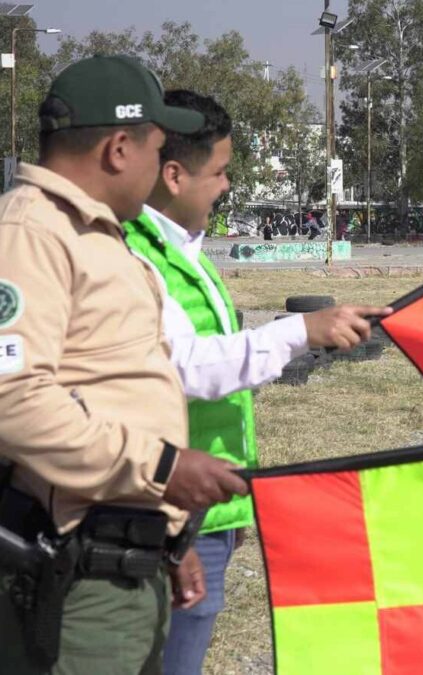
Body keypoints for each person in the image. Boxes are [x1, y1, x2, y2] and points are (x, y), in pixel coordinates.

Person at [122, 90, 392, 675]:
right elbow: (181, 369)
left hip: (208, 509)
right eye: (218, 172)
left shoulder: (187, 254)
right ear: (173, 174)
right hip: (169, 511)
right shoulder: (135, 256)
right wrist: (298, 332)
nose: (225, 187)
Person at [0, 55, 248, 674]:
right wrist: (162, 469)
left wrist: (165, 536)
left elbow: (111, 388)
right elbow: (12, 396)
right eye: (156, 147)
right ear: (118, 149)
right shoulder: (33, 232)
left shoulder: (96, 234)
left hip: (122, 556)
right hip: (76, 573)